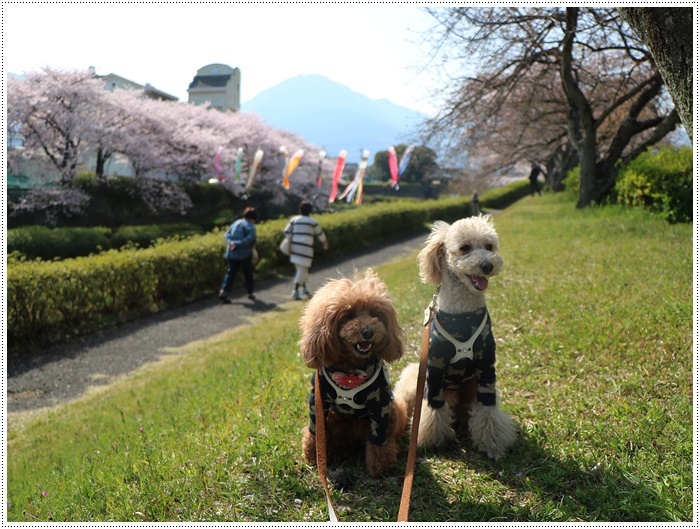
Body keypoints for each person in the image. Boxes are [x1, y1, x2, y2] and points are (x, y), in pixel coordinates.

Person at [284, 201, 329, 300]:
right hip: (306, 249)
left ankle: (304, 289)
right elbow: (320, 234)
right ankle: (295, 291)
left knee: (301, 269)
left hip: (294, 248)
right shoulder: (312, 222)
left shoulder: (294, 219)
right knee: (302, 269)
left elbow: (287, 231)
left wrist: (291, 241)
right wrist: (325, 242)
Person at [219, 207, 258, 304]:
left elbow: (226, 234)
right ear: (253, 218)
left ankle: (224, 291)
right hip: (244, 254)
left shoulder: (236, 223)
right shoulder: (250, 226)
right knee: (248, 274)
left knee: (230, 273)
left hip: (232, 253)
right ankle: (250, 293)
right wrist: (238, 243)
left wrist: (231, 242)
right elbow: (250, 239)